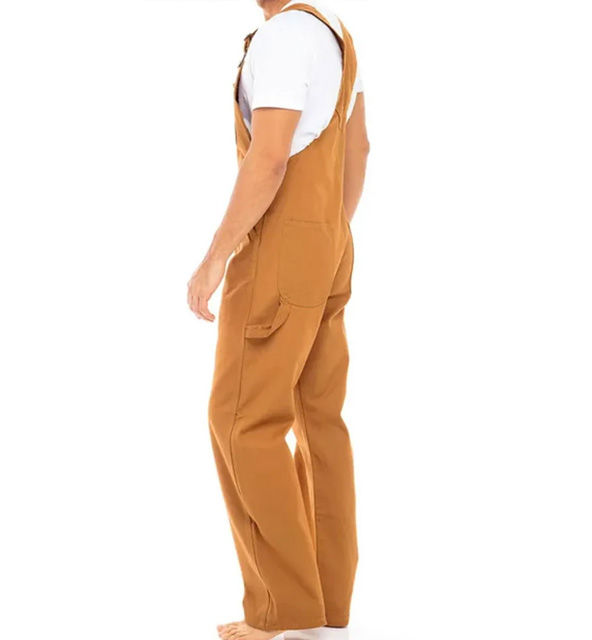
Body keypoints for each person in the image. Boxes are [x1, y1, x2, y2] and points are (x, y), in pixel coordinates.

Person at [187, 1, 369, 639]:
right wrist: (325, 235)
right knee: (319, 419)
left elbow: (268, 160)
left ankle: (281, 612)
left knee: (242, 420)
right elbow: (358, 148)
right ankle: (326, 608)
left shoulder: (283, 37)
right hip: (330, 239)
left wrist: (216, 256)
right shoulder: (335, 33)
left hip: (280, 247)